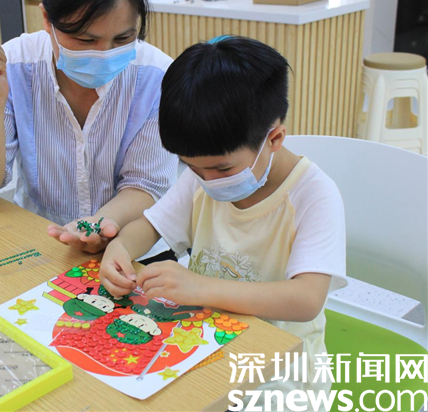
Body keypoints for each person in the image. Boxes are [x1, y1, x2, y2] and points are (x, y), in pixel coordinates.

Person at [99, 36, 347, 410]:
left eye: (222, 168)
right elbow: (148, 227)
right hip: (207, 343)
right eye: (191, 166)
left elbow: (306, 300)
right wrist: (119, 248)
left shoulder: (314, 195)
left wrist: (199, 287)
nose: (207, 179)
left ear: (274, 138)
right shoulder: (202, 177)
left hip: (282, 374)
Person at [0, 0, 176, 254]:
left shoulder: (158, 77)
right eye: (85, 40)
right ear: (46, 18)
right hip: (39, 245)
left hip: (129, 248)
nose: (104, 54)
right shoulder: (11, 68)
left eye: (123, 39)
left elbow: (145, 186)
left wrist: (95, 226)